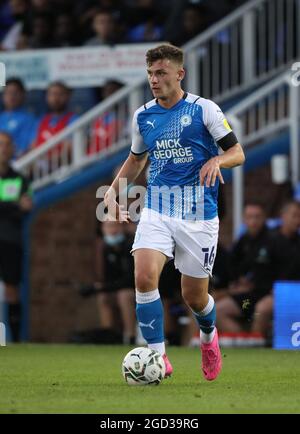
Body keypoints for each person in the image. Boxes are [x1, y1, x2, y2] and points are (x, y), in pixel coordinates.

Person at [104, 44, 245, 381]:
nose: (154, 80)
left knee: (195, 297)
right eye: (151, 74)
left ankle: (208, 338)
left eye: (161, 73)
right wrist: (112, 192)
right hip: (157, 207)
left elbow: (237, 152)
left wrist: (217, 159)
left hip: (198, 213)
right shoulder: (144, 116)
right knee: (143, 277)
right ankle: (158, 358)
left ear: (179, 74)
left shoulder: (204, 110)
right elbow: (137, 159)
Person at [216, 202, 276, 343]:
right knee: (217, 310)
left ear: (264, 218)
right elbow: (232, 265)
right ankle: (245, 341)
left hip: (265, 294)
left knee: (260, 311)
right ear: (244, 219)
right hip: (246, 296)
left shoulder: (274, 240)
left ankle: (256, 345)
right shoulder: (243, 241)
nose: (253, 221)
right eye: (249, 217)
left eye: (257, 217)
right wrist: (237, 281)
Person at [0, 131, 32, 342]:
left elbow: (26, 208)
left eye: (6, 145)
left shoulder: (20, 178)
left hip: (11, 240)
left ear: (12, 149)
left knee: (12, 290)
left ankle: (16, 341)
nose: (3, 149)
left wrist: (9, 207)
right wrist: (12, 205)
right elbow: (17, 206)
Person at [0, 78, 37, 158]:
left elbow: (31, 144)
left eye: (15, 93)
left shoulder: (30, 119)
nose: (11, 96)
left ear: (23, 95)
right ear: (3, 95)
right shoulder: (1, 117)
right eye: (8, 93)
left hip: (19, 162)